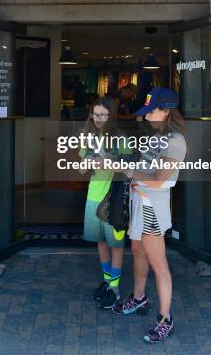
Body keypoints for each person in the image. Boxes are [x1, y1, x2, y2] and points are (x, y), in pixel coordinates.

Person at [114, 88, 187, 344]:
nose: (146, 117)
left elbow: (159, 181)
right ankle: (139, 298)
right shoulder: (158, 136)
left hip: (152, 209)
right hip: (139, 203)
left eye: (151, 111)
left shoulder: (175, 141)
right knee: (137, 252)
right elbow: (146, 168)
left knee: (159, 265)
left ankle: (165, 320)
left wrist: (125, 170)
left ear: (166, 111)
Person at [80, 96, 128, 310]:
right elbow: (81, 168)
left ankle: (115, 288)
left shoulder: (120, 138)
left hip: (114, 199)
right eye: (95, 114)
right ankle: (108, 281)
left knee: (116, 245)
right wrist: (87, 163)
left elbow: (129, 169)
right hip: (93, 196)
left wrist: (106, 160)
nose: (98, 119)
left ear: (111, 116)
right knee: (100, 242)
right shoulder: (88, 137)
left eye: (103, 115)